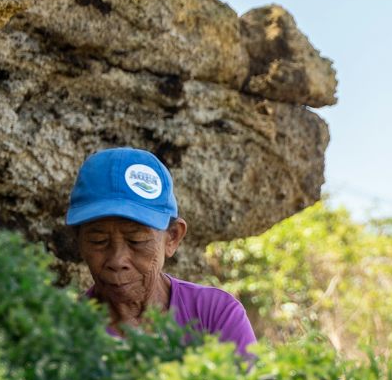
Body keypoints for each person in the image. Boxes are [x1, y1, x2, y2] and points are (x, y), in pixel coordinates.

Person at [65, 147, 257, 363]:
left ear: (172, 238)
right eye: (99, 241)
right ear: (78, 241)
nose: (117, 260)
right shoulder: (62, 332)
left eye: (136, 241)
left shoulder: (213, 314)